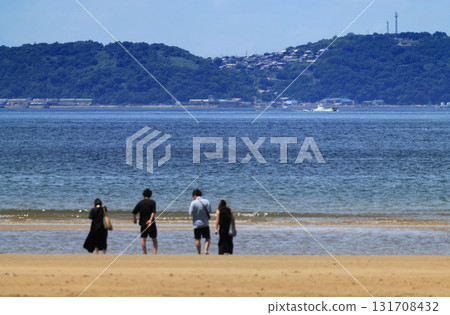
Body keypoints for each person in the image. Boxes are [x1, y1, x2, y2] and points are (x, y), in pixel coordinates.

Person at [132, 188, 158, 255]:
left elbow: (134, 212)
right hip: (151, 223)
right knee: (154, 239)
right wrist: (150, 220)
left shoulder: (140, 202)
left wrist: (135, 219)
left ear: (143, 195)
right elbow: (153, 212)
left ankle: (145, 253)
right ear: (150, 195)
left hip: (143, 223)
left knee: (143, 239)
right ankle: (154, 253)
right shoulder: (153, 202)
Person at [189, 189, 211, 255]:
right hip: (205, 223)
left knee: (197, 239)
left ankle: (199, 253)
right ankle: (206, 251)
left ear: (195, 195)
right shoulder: (207, 201)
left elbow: (190, 213)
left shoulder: (193, 202)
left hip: (196, 224)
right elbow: (210, 211)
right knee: (207, 238)